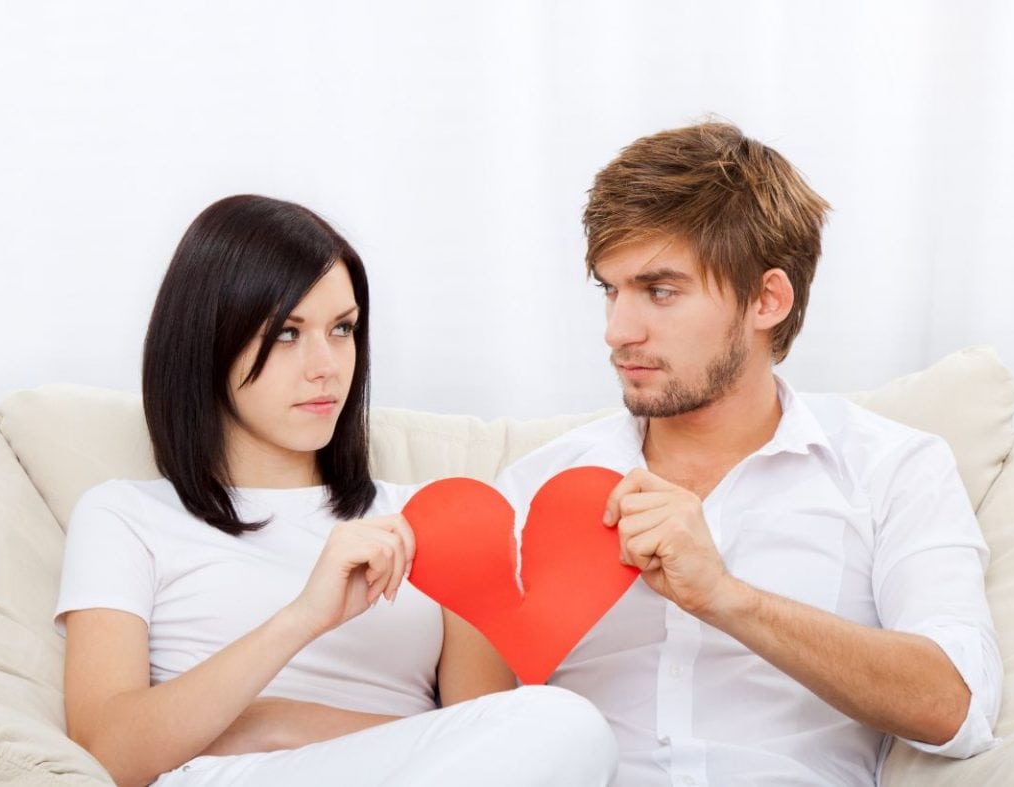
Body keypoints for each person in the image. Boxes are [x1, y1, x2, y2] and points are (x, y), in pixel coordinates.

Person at [495, 122, 1002, 786]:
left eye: (660, 291)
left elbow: (956, 705)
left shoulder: (892, 469)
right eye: (610, 291)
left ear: (767, 299)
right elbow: (473, 725)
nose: (618, 331)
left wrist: (727, 597)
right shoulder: (536, 486)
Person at [55, 195, 618, 786]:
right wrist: (303, 618)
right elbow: (105, 752)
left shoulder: (427, 516)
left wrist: (269, 723)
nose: (326, 366)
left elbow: (496, 736)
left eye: (342, 329)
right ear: (207, 341)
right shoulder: (124, 514)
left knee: (565, 723)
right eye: (287, 332)